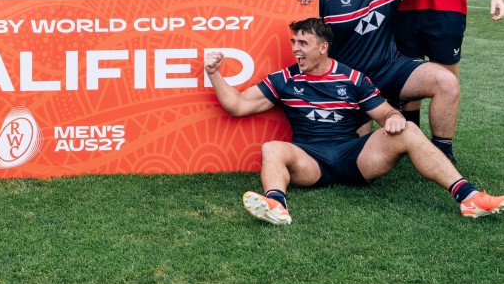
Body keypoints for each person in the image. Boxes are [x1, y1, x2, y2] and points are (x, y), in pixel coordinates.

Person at [204, 18, 504, 225]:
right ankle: (276, 206)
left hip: (354, 157)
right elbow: (238, 105)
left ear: (322, 47)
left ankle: (469, 198)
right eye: (294, 41)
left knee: (410, 130)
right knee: (272, 148)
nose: (296, 48)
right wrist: (215, 73)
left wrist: (396, 118)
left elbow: (385, 113)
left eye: (303, 43)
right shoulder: (284, 79)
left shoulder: (352, 78)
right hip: (311, 161)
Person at [314, 0, 468, 160]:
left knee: (446, 81)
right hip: (349, 82)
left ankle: (442, 152)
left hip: (389, 68)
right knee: (357, 154)